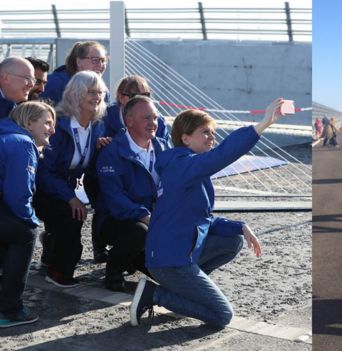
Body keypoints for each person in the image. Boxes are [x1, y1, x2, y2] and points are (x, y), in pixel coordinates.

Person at [129, 98, 286, 327]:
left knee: (232, 240)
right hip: (169, 261)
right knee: (222, 315)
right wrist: (262, 125)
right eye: (205, 132)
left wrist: (241, 227)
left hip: (179, 251)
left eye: (213, 132)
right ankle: (154, 294)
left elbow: (201, 218)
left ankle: (187, 294)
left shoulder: (186, 167)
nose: (212, 137)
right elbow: (223, 154)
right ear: (185, 138)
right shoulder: (182, 166)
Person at [34, 71, 109, 288]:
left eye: (99, 93)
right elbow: (43, 172)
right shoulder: (57, 124)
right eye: (90, 92)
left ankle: (51, 244)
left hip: (65, 186)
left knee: (77, 214)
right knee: (72, 216)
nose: (96, 97)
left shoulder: (97, 126)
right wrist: (71, 198)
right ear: (76, 93)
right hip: (41, 188)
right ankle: (59, 272)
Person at [95, 96, 170, 292]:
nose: (153, 123)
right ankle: (114, 269)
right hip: (117, 221)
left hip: (154, 220)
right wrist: (145, 216)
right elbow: (114, 198)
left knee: (166, 276)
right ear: (128, 121)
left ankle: (134, 259)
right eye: (146, 118)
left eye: (155, 118)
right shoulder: (111, 152)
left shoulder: (164, 148)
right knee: (138, 232)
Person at [0, 102, 56, 328]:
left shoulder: (6, 136)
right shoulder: (22, 144)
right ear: (29, 123)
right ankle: (10, 310)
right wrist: (31, 220)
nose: (52, 129)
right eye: (48, 123)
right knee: (25, 232)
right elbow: (18, 194)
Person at [102, 75, 170, 141]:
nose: (141, 101)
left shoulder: (158, 121)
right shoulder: (106, 117)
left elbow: (164, 149)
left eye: (145, 96)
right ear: (121, 98)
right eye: (135, 96)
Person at [41, 41, 108, 105]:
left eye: (103, 60)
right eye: (95, 60)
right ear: (78, 62)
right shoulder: (53, 83)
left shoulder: (103, 90)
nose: (100, 65)